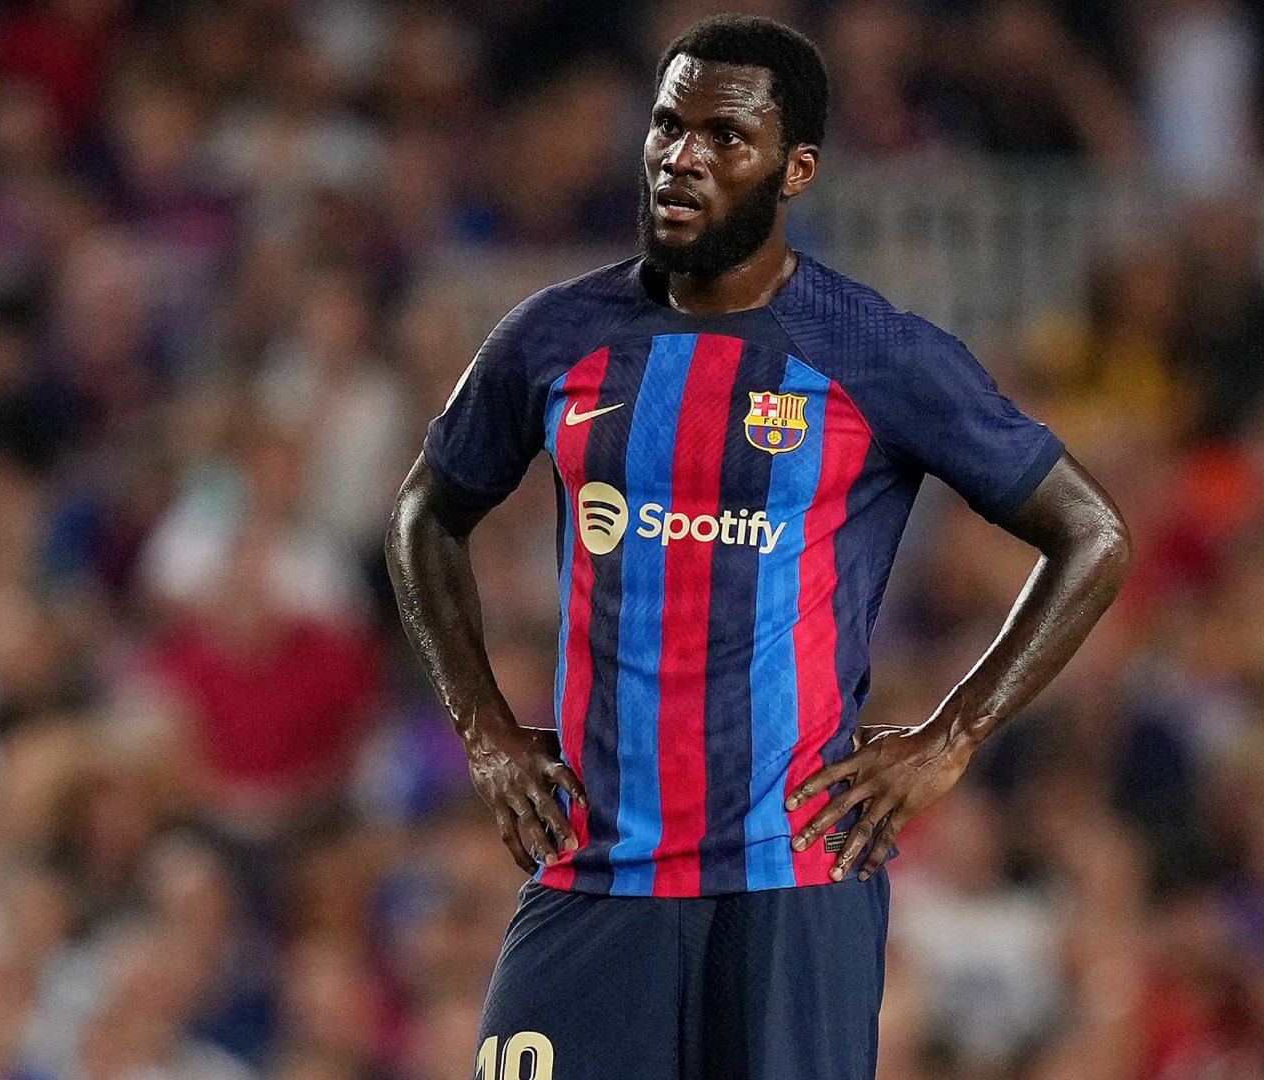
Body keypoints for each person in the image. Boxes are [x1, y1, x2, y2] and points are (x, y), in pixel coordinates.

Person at [386, 15, 1131, 1079]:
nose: (681, 157)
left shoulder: (872, 351)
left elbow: (1091, 533)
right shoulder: (554, 335)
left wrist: (953, 736)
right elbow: (425, 516)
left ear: (797, 169)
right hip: (595, 868)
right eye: (667, 126)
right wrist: (486, 733)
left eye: (725, 137)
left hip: (793, 883)